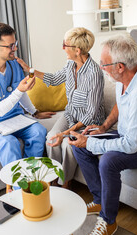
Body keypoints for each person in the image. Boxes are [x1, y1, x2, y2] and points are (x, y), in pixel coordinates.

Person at [68, 33, 137, 235]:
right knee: (77, 143)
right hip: (129, 134)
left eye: (103, 63)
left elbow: (131, 145)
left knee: (108, 161)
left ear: (120, 66)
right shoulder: (123, 77)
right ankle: (99, 199)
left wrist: (92, 143)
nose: (100, 67)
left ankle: (108, 221)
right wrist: (103, 127)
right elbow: (120, 104)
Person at [16, 27, 105, 187]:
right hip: (70, 114)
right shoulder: (70, 64)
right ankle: (53, 178)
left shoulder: (94, 74)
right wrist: (29, 70)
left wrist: (65, 133)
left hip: (88, 122)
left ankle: (66, 182)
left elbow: (90, 114)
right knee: (51, 137)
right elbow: (55, 78)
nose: (63, 48)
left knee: (67, 144)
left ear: (77, 50)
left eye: (65, 45)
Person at [0, 22, 55, 167]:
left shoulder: (14, 65)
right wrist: (20, 90)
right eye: (10, 46)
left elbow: (20, 93)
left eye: (15, 44)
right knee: (9, 142)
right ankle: (18, 188)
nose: (15, 48)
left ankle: (31, 175)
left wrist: (34, 112)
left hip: (13, 118)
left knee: (38, 131)